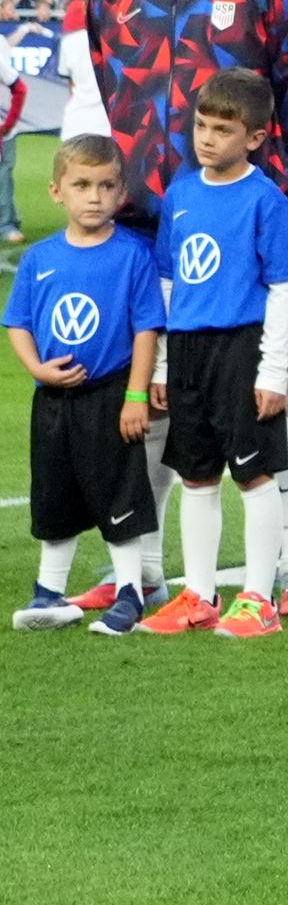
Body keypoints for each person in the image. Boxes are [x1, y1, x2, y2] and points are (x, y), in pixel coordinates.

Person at [79, 0, 288, 612]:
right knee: (156, 394)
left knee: (274, 392)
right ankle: (146, 569)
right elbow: (110, 90)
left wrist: (250, 187)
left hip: (238, 226)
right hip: (148, 226)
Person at [136, 74, 288, 639]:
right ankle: (199, 595)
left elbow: (283, 289)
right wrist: (160, 363)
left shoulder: (267, 202)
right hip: (186, 350)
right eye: (202, 126)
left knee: (254, 476)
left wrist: (272, 371)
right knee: (197, 475)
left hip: (242, 346)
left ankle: (259, 598)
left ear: (254, 138)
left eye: (223, 130)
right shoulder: (182, 193)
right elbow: (166, 279)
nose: (207, 139)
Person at [9, 134, 164, 632]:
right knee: (54, 495)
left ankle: (128, 593)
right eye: (81, 185)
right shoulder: (38, 259)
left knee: (118, 493)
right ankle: (48, 592)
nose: (94, 197)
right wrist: (37, 369)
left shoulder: (133, 256)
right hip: (53, 399)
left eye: (106, 186)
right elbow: (19, 323)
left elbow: (146, 330)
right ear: (58, 192)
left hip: (111, 396)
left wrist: (136, 394)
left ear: (121, 193)